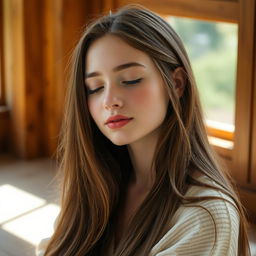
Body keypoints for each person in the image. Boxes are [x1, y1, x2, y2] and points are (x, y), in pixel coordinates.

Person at [36, 4, 251, 256]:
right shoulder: (95, 184)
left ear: (177, 83)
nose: (109, 100)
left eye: (130, 80)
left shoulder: (206, 216)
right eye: (95, 87)